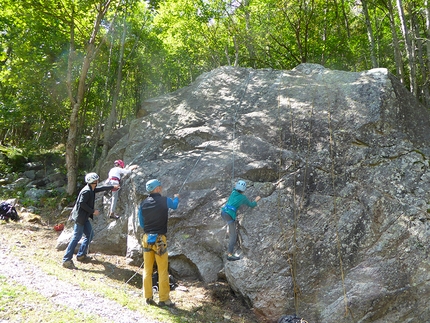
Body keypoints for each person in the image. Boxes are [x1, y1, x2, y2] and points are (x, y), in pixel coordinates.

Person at [62, 172, 119, 269]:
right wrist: (93, 211)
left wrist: (112, 187)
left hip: (84, 218)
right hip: (80, 218)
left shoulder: (91, 188)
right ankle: (66, 260)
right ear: (93, 181)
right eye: (97, 180)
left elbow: (99, 189)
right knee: (76, 237)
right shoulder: (86, 191)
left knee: (90, 234)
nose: (98, 181)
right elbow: (82, 203)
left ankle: (81, 255)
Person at [138, 179, 179, 307]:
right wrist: (177, 198)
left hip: (146, 238)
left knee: (147, 269)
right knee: (162, 270)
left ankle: (148, 297)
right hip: (160, 240)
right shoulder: (165, 200)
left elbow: (141, 223)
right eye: (159, 187)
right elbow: (174, 205)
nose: (161, 188)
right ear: (156, 189)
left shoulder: (143, 204)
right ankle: (164, 299)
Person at [221, 180, 261, 261]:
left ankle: (228, 228)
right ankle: (229, 255)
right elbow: (251, 205)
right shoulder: (243, 198)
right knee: (233, 236)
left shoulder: (233, 192)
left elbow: (235, 189)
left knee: (230, 223)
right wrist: (256, 200)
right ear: (244, 189)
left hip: (223, 212)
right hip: (229, 215)